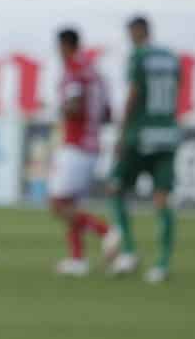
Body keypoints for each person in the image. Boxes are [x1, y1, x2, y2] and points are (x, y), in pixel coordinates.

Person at [105, 16, 182, 283]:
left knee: (115, 187)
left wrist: (121, 134)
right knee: (162, 199)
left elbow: (134, 95)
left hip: (141, 135)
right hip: (168, 133)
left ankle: (128, 250)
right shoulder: (171, 57)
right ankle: (161, 264)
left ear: (138, 32)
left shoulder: (139, 57)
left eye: (131, 33)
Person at [50, 28, 118, 277]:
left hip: (76, 145)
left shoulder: (74, 72)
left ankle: (105, 231)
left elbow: (74, 107)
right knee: (71, 203)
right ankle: (77, 260)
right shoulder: (96, 74)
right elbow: (109, 113)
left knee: (58, 205)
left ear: (65, 46)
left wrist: (60, 108)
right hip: (92, 145)